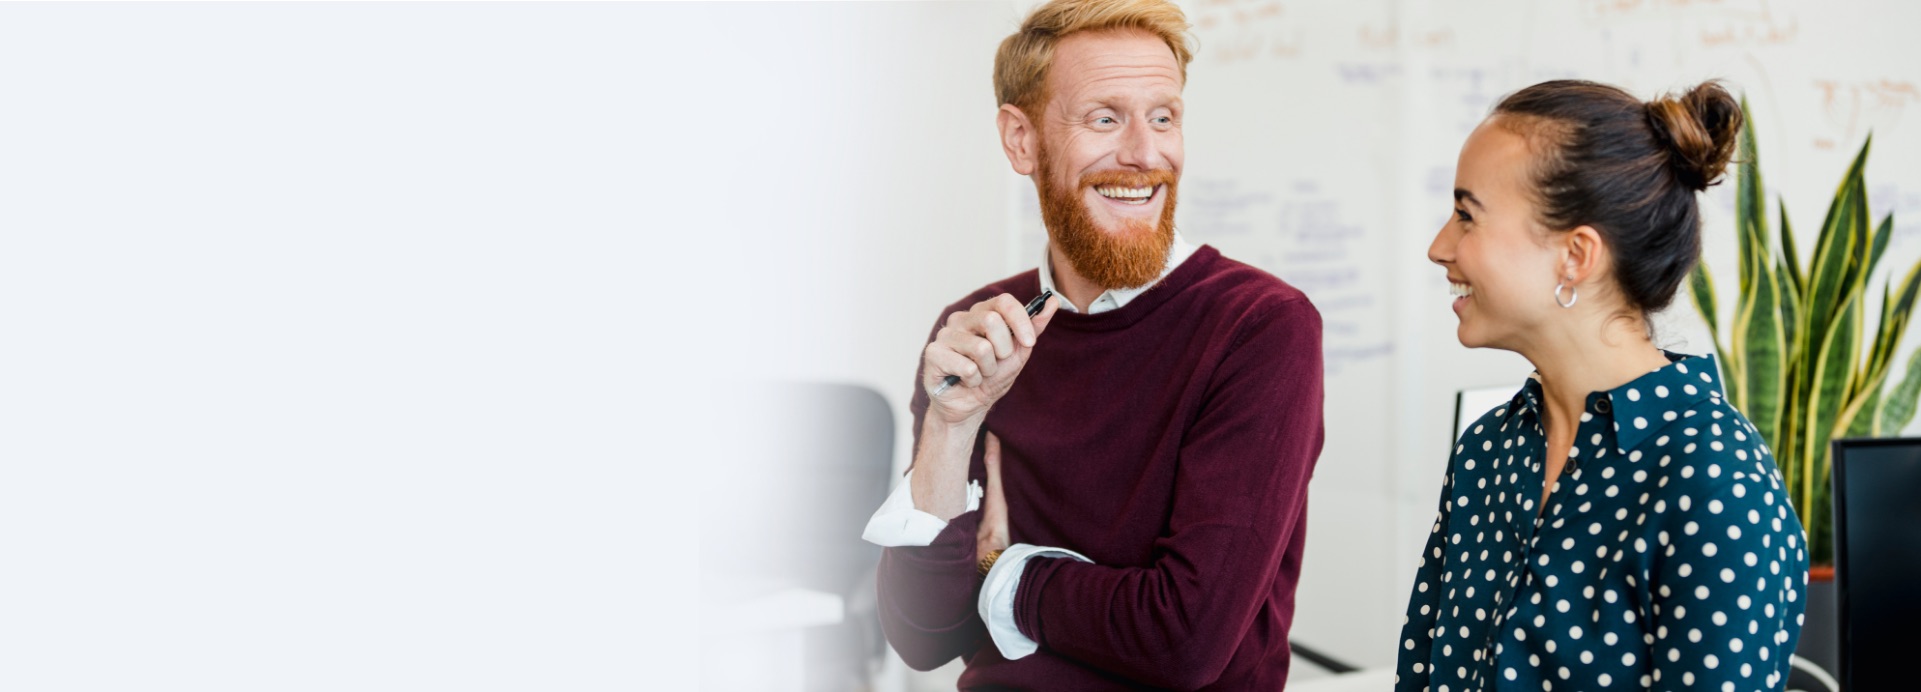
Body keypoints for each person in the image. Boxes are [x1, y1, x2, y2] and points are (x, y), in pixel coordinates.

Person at [859, 0, 1325, 687]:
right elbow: (922, 636)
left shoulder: (1259, 326)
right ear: (1021, 140)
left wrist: (1001, 571)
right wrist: (951, 430)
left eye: (1163, 117)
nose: (1145, 154)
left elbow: (1183, 641)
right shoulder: (979, 332)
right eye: (1105, 119)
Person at [1397, 79, 1809, 691]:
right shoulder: (1486, 452)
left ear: (1576, 255)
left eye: (1466, 216)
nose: (1439, 247)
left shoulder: (1715, 480)